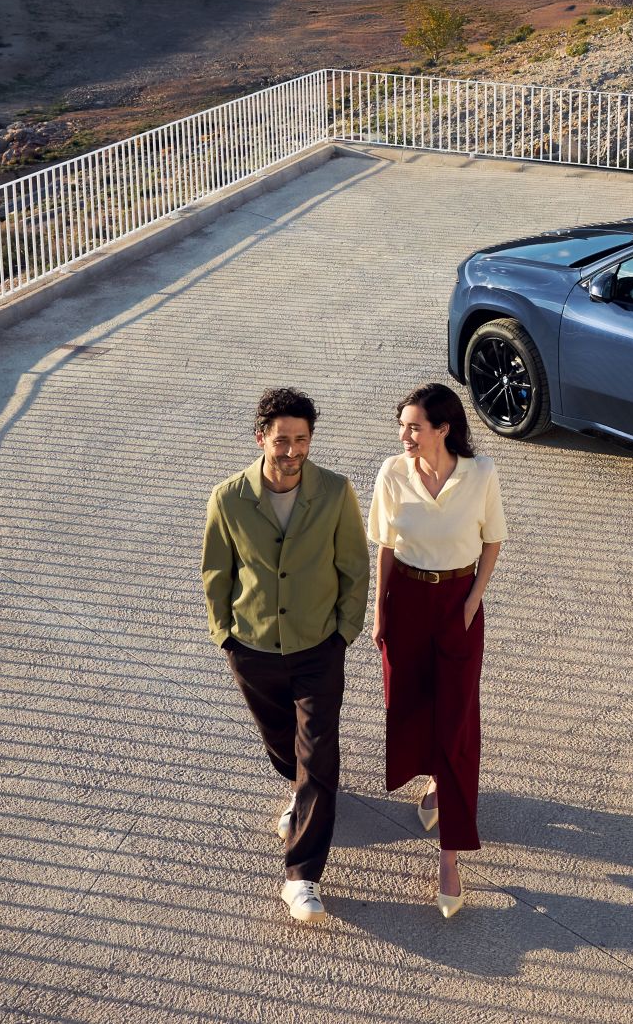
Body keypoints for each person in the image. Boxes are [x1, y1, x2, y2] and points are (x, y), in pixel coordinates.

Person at [201, 386, 369, 926]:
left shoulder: (336, 491)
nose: (292, 450)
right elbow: (216, 573)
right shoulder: (227, 498)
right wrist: (224, 634)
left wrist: (344, 632)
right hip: (251, 648)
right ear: (261, 438)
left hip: (319, 645)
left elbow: (354, 567)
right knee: (282, 744)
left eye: (301, 440)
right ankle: (298, 794)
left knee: (319, 752)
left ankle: (301, 876)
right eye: (282, 440)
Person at [369, 382, 507, 918]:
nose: (405, 435)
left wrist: (472, 603)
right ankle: (430, 780)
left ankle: (450, 857)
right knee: (408, 703)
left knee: (456, 723)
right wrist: (379, 609)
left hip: (456, 603)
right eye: (402, 425)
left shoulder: (481, 475)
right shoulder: (392, 474)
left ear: (443, 428)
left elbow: (492, 540)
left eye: (415, 426)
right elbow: (384, 544)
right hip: (404, 601)